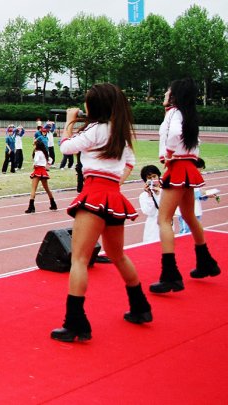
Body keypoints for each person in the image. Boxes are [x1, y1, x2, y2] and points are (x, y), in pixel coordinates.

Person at [50, 83, 151, 342]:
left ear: (93, 106)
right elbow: (129, 162)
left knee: (79, 260)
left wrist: (69, 122)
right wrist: (114, 183)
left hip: (94, 193)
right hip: (113, 196)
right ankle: (140, 307)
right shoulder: (119, 133)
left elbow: (65, 148)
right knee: (118, 255)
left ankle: (75, 323)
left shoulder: (95, 129)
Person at [150, 78, 220, 294]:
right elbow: (194, 144)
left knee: (164, 219)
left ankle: (170, 274)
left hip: (178, 167)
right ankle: (206, 261)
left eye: (167, 91)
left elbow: (172, 136)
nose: (164, 95)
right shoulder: (189, 115)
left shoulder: (172, 114)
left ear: (174, 96)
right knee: (189, 216)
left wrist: (169, 156)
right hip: (188, 167)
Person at [25, 139, 57, 213]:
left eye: (34, 144)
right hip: (43, 171)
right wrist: (47, 165)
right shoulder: (44, 152)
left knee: (33, 189)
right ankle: (53, 204)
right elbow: (50, 160)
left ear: (37, 145)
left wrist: (34, 165)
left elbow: (36, 160)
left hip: (37, 170)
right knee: (47, 189)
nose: (34, 146)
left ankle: (31, 207)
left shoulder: (37, 152)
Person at [138, 165, 163, 244]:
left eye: (154, 176)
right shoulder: (143, 196)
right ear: (145, 180)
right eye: (149, 178)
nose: (152, 179)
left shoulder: (165, 192)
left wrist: (159, 194)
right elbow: (149, 212)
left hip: (167, 226)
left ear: (158, 176)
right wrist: (149, 195)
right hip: (152, 228)